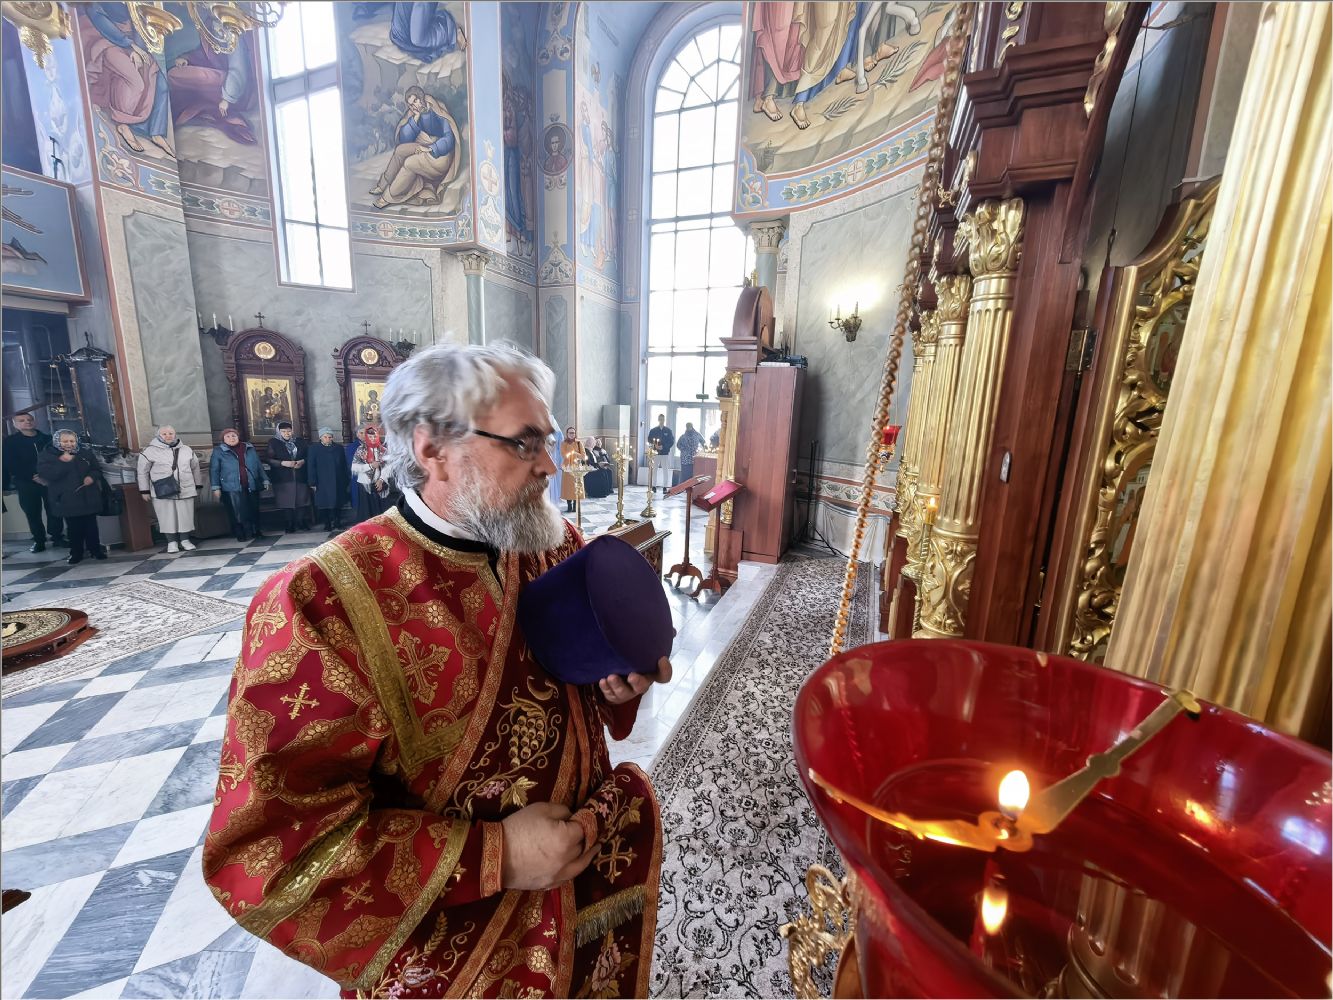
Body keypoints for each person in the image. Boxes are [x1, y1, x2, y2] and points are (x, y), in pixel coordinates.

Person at [204, 343, 670, 998]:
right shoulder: (321, 602)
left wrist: (614, 683)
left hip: (579, 893)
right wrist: (498, 856)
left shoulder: (551, 544)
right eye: (525, 443)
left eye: (548, 440)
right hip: (451, 950)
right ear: (432, 449)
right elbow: (273, 849)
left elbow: (575, 687)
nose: (549, 465)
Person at [371, 85, 461, 209]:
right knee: (400, 151)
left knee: (409, 163)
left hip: (440, 156)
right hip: (425, 146)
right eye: (410, 104)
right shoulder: (415, 113)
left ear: (421, 97)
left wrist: (430, 148)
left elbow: (449, 140)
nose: (413, 106)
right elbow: (404, 140)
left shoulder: (437, 110)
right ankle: (382, 185)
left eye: (415, 101)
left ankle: (387, 197)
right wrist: (415, 120)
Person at [37, 430, 107, 564]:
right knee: (74, 528)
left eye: (72, 441)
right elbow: (48, 475)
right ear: (57, 441)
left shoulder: (85, 453)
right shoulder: (47, 456)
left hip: (88, 496)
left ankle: (95, 550)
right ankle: (76, 553)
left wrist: (91, 477)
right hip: (66, 497)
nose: (69, 444)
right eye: (65, 441)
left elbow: (96, 469)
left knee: (91, 526)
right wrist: (63, 461)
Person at [137, 424, 203, 553]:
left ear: (175, 434)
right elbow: (142, 472)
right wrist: (144, 491)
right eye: (164, 434)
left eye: (171, 433)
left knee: (185, 516)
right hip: (163, 490)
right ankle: (171, 542)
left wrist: (198, 485)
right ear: (158, 435)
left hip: (185, 489)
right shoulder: (149, 451)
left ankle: (185, 540)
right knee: (166, 517)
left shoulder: (186, 449)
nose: (168, 436)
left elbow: (195, 468)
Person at [3, 413, 64, 552]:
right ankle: (39, 540)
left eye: (29, 419)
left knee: (54, 509)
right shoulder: (10, 442)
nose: (27, 422)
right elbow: (10, 464)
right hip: (26, 482)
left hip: (49, 481)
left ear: (34, 422)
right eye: (22, 420)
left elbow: (56, 459)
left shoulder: (48, 439)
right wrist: (33, 476)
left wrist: (47, 476)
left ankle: (57, 537)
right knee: (32, 512)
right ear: (15, 425)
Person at [210, 428, 268, 542]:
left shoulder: (249, 448)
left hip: (251, 483)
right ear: (223, 439)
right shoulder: (218, 451)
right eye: (228, 436)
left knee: (254, 508)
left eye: (233, 436)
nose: (231, 438)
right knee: (237, 511)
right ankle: (240, 532)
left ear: (238, 437)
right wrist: (216, 487)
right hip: (231, 486)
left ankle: (256, 531)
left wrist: (265, 479)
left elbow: (258, 465)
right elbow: (214, 470)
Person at [266, 421, 310, 532]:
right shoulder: (273, 442)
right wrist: (282, 463)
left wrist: (303, 461)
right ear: (279, 432)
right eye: (284, 431)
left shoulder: (300, 441)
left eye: (289, 431)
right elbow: (269, 459)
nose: (287, 433)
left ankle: (301, 521)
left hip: (300, 475)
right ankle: (289, 523)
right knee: (286, 501)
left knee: (302, 500)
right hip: (283, 478)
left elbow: (309, 455)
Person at [305, 427, 351, 534]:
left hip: (338, 480)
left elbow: (343, 464)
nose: (328, 439)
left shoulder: (338, 448)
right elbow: (311, 466)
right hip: (322, 481)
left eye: (330, 437)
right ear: (320, 438)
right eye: (325, 437)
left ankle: (337, 522)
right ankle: (327, 524)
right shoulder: (314, 449)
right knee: (324, 503)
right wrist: (312, 482)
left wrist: (346, 479)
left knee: (338, 502)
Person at [350, 423, 393, 520]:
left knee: (382, 511)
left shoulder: (383, 450)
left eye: (375, 436)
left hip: (380, 484)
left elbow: (389, 467)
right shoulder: (360, 449)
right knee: (367, 512)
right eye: (370, 436)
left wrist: (381, 479)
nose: (373, 438)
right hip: (365, 484)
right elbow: (354, 467)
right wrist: (370, 466)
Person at [646, 414, 675, 494]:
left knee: (665, 470)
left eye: (663, 419)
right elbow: (649, 439)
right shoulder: (653, 430)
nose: (661, 420)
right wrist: (655, 445)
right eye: (660, 419)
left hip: (665, 453)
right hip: (655, 453)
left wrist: (664, 446)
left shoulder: (668, 431)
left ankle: (665, 487)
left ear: (664, 420)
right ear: (658, 420)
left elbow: (671, 441)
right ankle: (654, 486)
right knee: (654, 469)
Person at [559, 424, 583, 512]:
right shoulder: (563, 443)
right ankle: (569, 505)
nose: (572, 434)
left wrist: (574, 453)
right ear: (567, 434)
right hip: (567, 468)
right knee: (568, 488)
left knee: (576, 487)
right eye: (570, 433)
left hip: (577, 468)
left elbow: (583, 456)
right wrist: (573, 453)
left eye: (573, 433)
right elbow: (564, 455)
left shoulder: (579, 443)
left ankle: (575, 506)